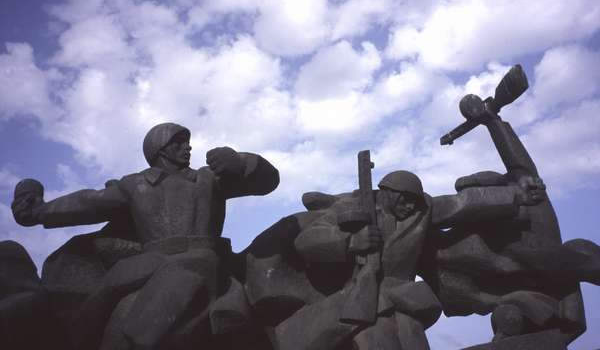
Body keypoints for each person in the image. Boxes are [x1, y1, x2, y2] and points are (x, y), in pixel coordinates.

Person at [11, 122, 279, 350]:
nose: (188, 148)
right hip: (150, 261)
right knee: (101, 301)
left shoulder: (209, 179)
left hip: (204, 259)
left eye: (187, 143)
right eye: (180, 143)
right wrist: (39, 212)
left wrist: (244, 163)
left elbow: (267, 181)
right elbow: (88, 202)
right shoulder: (134, 184)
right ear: (161, 149)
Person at [283, 167, 541, 350]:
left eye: (413, 202)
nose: (409, 207)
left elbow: (462, 203)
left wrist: (516, 195)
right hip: (363, 302)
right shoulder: (352, 207)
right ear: (387, 192)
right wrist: (350, 242)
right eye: (404, 201)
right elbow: (306, 241)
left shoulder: (420, 210)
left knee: (412, 341)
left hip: (404, 301)